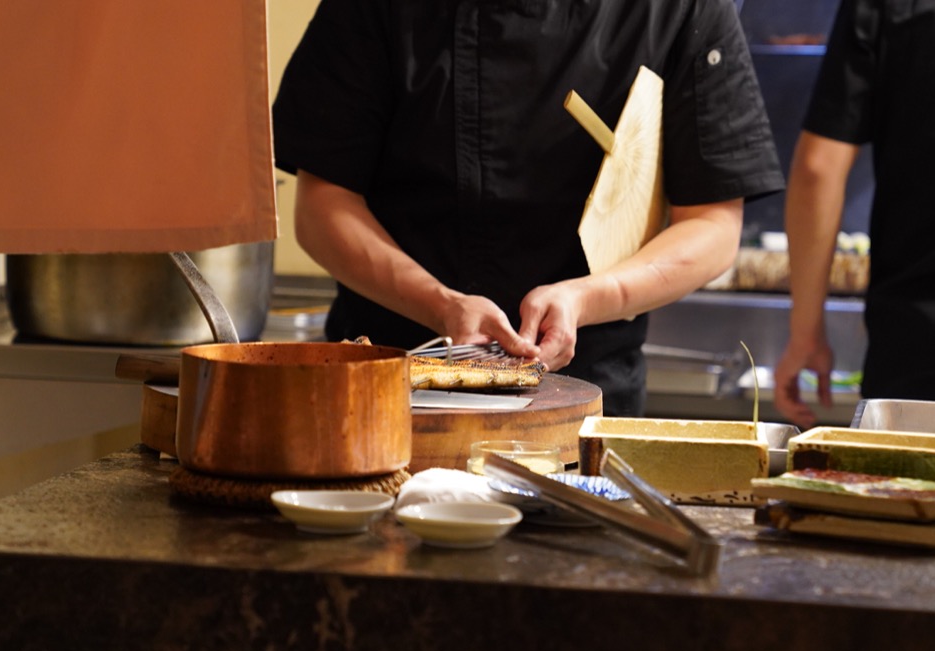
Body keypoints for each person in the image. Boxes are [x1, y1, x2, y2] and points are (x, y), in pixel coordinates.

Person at [273, 0, 784, 416]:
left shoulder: (680, 9)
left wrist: (584, 299)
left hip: (587, 392)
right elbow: (323, 207)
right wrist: (441, 305)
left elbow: (713, 225)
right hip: (390, 382)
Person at [774, 0, 935, 429]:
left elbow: (818, 168)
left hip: (918, 354)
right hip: (918, 344)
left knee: (909, 495)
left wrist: (806, 330)